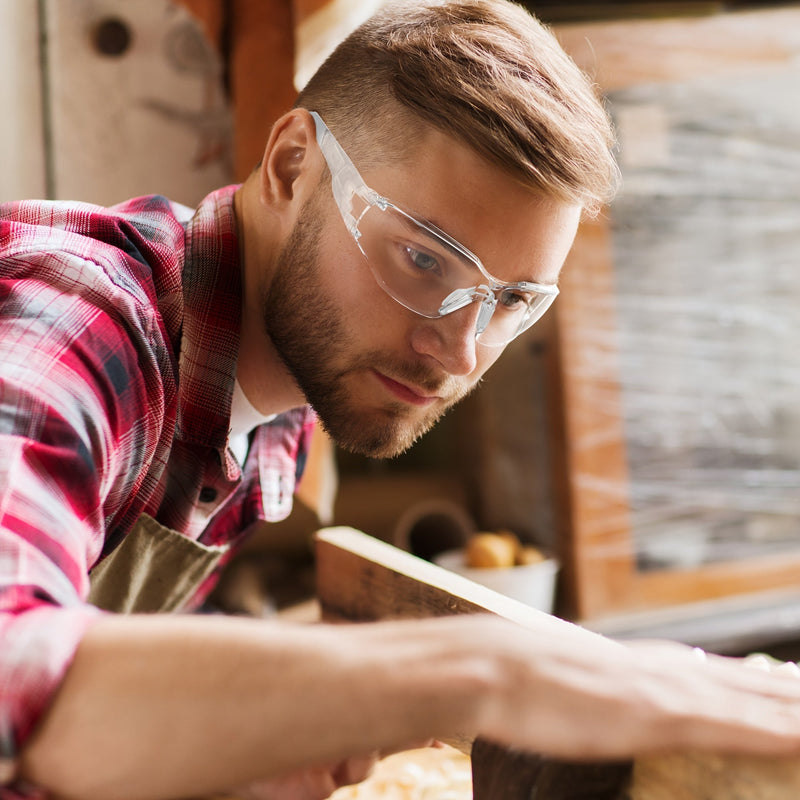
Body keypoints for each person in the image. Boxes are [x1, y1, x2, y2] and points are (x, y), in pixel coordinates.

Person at [2, 1, 800, 798]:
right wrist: (492, 671)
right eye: (423, 259)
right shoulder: (80, 323)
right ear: (290, 167)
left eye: (514, 301)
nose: (458, 352)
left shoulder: (293, 402)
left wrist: (224, 757)